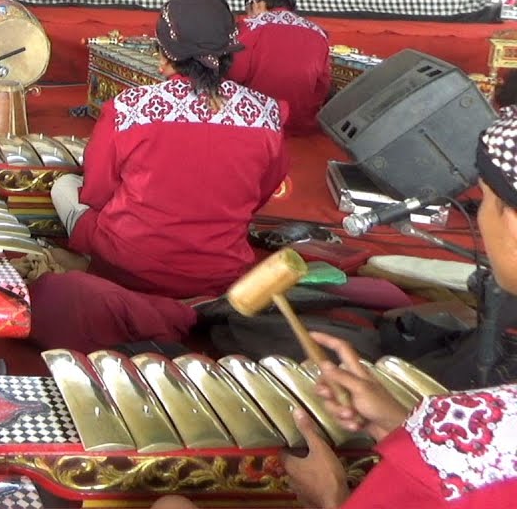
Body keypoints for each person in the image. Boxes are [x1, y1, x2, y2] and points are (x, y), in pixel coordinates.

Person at [154, 107, 517, 508]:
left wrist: (330, 497)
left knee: (171, 505)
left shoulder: (481, 432)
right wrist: (400, 425)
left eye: (484, 198)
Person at [29, 0, 288, 351]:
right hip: (220, 272)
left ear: (165, 53)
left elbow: (96, 195)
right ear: (230, 51)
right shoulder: (267, 113)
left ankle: (91, 264)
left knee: (65, 186)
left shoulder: (129, 108)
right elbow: (262, 192)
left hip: (129, 265)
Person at [228, 0, 331, 136]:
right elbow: (322, 85)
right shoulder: (318, 32)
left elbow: (234, 74)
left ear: (257, 4)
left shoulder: (250, 27)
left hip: (257, 122)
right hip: (300, 124)